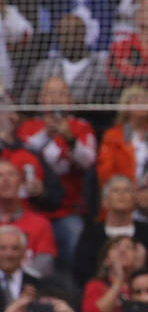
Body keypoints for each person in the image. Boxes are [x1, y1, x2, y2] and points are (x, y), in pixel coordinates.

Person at [17, 77, 98, 265]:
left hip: (69, 210)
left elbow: (88, 161)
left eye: (60, 93)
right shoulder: (29, 127)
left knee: (75, 255)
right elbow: (21, 154)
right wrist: (46, 132)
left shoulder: (81, 126)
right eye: (50, 94)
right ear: (41, 99)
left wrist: (70, 138)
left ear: (69, 99)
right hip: (32, 210)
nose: (55, 99)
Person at [97, 85, 148, 229]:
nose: (142, 103)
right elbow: (105, 172)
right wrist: (131, 194)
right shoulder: (112, 137)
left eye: (146, 100)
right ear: (126, 107)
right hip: (123, 194)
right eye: (136, 100)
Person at [73, 174, 148, 289]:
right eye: (116, 190)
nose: (122, 194)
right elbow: (82, 273)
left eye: (127, 190)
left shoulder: (147, 232)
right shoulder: (91, 234)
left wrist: (140, 268)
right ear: (105, 202)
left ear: (135, 201)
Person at [20, 13, 111, 113]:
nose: (69, 39)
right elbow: (27, 102)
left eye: (73, 33)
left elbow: (107, 104)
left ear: (83, 34)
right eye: (63, 35)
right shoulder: (44, 68)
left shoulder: (101, 68)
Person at [0, 160, 57, 276]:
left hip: (29, 286)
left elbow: (45, 262)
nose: (6, 179)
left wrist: (17, 282)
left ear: (21, 182)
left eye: (11, 174)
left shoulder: (40, 224)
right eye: (0, 175)